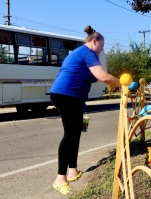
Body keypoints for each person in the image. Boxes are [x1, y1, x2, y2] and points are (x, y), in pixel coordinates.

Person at [50, 25, 121, 195]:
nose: (101, 50)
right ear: (94, 41)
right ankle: (60, 178)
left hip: (72, 98)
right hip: (67, 96)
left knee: (77, 133)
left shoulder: (78, 53)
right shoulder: (87, 52)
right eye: (101, 46)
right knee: (69, 135)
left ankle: (72, 171)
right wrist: (124, 84)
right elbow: (103, 76)